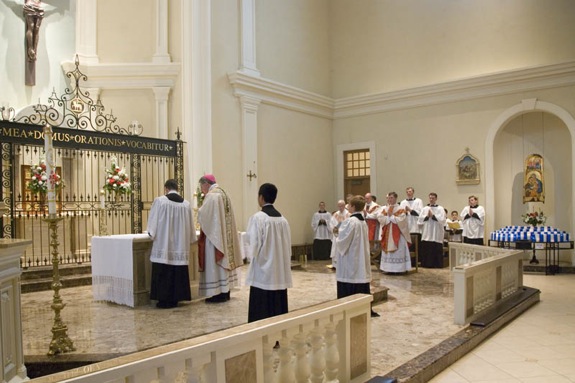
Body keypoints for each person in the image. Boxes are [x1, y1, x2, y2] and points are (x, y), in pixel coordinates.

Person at [245, 183, 293, 322]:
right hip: (279, 272)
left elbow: (253, 246)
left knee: (262, 310)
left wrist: (250, 256)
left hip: (263, 274)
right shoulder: (283, 220)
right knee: (277, 306)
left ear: (261, 197)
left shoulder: (258, 218)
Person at [147, 179, 197, 308]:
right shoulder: (186, 204)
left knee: (164, 270)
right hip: (180, 245)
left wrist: (151, 233)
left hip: (164, 243)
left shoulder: (160, 201)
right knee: (177, 270)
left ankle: (163, 300)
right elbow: (191, 227)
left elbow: (153, 223)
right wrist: (191, 238)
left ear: (166, 188)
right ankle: (177, 298)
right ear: (177, 188)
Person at [197, 174, 243, 303]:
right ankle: (225, 291)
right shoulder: (224, 193)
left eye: (201, 186)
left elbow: (203, 215)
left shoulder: (212, 196)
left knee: (214, 265)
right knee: (223, 264)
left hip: (214, 239)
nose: (201, 189)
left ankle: (217, 293)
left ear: (206, 183)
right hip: (223, 236)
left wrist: (199, 210)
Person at [331, 195, 379, 318]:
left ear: (352, 206)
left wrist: (337, 235)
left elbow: (343, 242)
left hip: (351, 259)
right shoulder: (363, 222)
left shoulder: (350, 221)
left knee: (350, 277)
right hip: (360, 258)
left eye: (349, 205)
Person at [378, 192, 412, 273]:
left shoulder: (400, 209)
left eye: (392, 198)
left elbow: (402, 221)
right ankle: (388, 268)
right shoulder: (385, 209)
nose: (390, 199)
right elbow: (380, 218)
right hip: (387, 233)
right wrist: (389, 217)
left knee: (399, 250)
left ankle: (399, 269)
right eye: (389, 198)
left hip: (398, 234)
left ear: (396, 198)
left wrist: (391, 216)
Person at [417, 193, 446, 268]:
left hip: (436, 232)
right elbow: (419, 220)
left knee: (436, 248)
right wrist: (427, 216)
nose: (431, 199)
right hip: (427, 231)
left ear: (436, 199)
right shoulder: (425, 208)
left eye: (433, 198)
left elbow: (442, 219)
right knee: (427, 248)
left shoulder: (440, 208)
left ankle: (437, 264)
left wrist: (433, 216)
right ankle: (426, 264)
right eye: (430, 198)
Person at [399, 187, 423, 261]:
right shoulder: (403, 202)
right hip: (407, 226)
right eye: (407, 192)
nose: (408, 193)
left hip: (415, 226)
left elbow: (421, 213)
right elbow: (400, 214)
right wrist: (405, 212)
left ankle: (416, 260)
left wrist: (411, 210)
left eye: (410, 191)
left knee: (416, 244)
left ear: (413, 192)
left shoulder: (418, 201)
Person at [329, 199, 350, 269]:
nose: (340, 207)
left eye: (341, 206)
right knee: (336, 249)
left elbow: (349, 225)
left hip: (344, 236)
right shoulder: (335, 214)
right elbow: (331, 224)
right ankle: (335, 265)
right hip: (336, 235)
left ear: (344, 206)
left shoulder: (348, 214)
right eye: (339, 206)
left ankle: (344, 265)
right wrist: (334, 229)